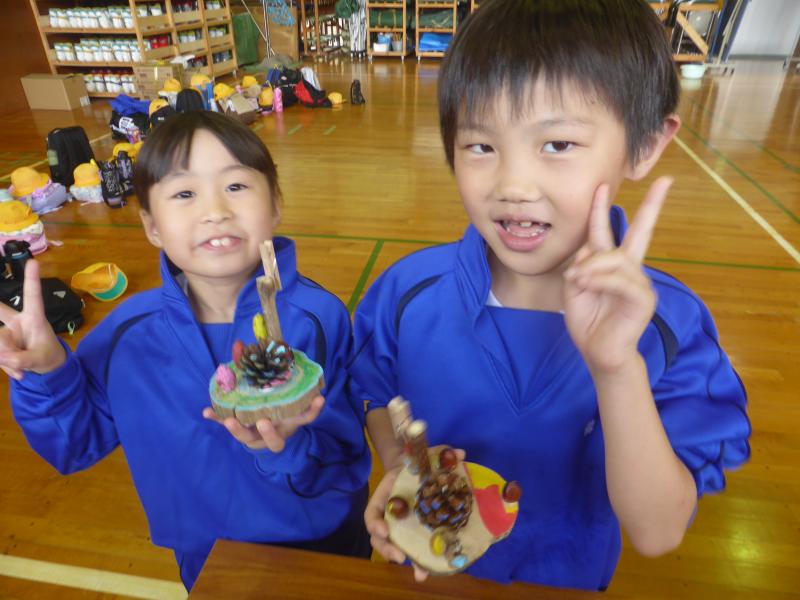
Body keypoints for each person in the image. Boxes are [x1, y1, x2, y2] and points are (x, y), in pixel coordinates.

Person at [351, 0, 750, 591]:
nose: (513, 186)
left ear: (644, 144)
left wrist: (617, 369)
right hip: (429, 575)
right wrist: (399, 467)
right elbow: (376, 388)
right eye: (480, 146)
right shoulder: (408, 293)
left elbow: (657, 532)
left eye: (558, 144)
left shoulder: (670, 326)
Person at [0, 112, 371, 591]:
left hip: (323, 542)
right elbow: (73, 447)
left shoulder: (319, 318)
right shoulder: (125, 337)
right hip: (207, 556)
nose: (215, 210)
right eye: (184, 194)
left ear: (276, 204)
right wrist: (49, 375)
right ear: (152, 226)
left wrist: (287, 447)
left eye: (236, 186)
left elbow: (345, 459)